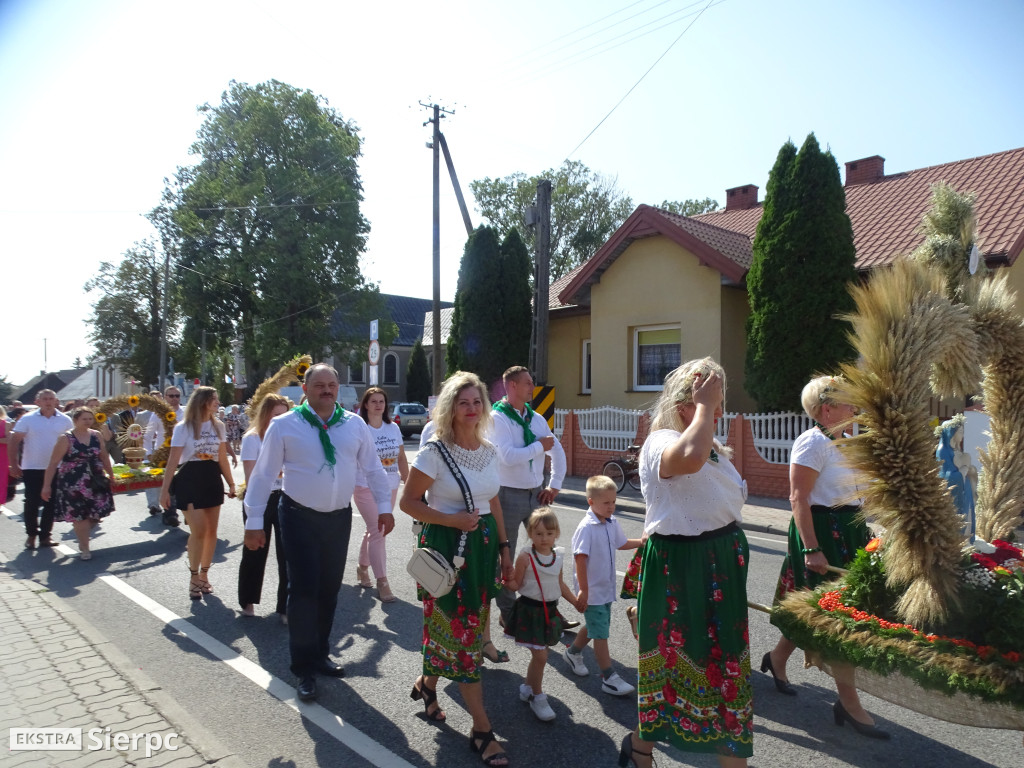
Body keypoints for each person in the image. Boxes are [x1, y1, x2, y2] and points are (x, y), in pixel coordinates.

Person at [620, 358, 753, 768]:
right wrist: (704, 410)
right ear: (686, 404)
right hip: (681, 571)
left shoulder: (711, 446)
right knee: (678, 670)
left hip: (720, 567)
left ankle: (724, 757)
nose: (720, 410)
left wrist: (705, 417)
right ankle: (641, 748)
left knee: (725, 672)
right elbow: (689, 460)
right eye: (714, 402)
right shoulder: (661, 441)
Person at [243, 364, 392, 702]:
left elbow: (372, 468)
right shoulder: (285, 425)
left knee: (328, 591)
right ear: (305, 389)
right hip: (297, 517)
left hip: (338, 518)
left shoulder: (353, 425)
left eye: (332, 385)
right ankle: (303, 668)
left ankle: (321, 653)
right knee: (304, 592)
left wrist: (384, 505)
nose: (327, 390)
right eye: (319, 385)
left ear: (338, 389)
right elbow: (264, 476)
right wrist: (253, 522)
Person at [763, 375, 888, 739]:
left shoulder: (848, 440)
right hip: (822, 531)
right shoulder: (811, 442)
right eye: (849, 401)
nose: (856, 406)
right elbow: (798, 498)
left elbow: (857, 493)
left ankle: (777, 658)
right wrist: (811, 548)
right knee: (839, 616)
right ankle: (849, 704)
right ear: (827, 408)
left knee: (818, 609)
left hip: (849, 530)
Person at [399, 371, 513, 767]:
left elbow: (494, 502)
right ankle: (482, 729)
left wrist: (505, 549)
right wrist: (452, 521)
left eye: (477, 401)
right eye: (463, 402)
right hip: (448, 551)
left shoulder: (487, 450)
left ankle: (426, 685)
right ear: (451, 407)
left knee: (459, 631)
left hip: (480, 552)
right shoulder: (434, 451)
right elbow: (408, 503)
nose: (471, 408)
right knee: (463, 638)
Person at [491, 365, 569, 630]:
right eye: (527, 383)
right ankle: (509, 612)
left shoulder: (535, 419)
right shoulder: (497, 418)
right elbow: (508, 457)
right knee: (507, 556)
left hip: (536, 494)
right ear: (511, 386)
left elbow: (556, 451)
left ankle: (549, 609)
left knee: (545, 551)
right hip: (507, 495)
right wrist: (538, 446)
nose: (532, 387)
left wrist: (555, 484)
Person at [563, 475, 640, 696]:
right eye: (606, 503)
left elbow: (621, 543)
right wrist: (583, 590)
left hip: (605, 589)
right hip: (593, 591)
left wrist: (642, 541)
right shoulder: (586, 527)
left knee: (598, 624)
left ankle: (573, 652)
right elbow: (580, 559)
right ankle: (609, 677)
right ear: (591, 502)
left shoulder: (611, 522)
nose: (611, 507)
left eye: (613, 502)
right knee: (601, 634)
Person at [502, 507, 579, 722]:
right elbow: (516, 583)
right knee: (541, 657)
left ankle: (527, 688)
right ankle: (537, 696)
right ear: (530, 534)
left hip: (549, 612)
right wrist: (507, 581)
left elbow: (560, 583)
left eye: (549, 533)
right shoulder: (526, 556)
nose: (544, 538)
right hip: (529, 611)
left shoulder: (558, 556)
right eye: (538, 533)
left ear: (556, 534)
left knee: (539, 657)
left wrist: (575, 602)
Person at [159, 386, 235, 600]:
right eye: (214, 400)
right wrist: (164, 491)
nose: (218, 403)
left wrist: (230, 483)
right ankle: (193, 576)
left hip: (211, 477)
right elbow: (173, 461)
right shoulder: (183, 427)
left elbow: (221, 458)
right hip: (189, 477)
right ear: (203, 401)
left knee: (212, 532)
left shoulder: (218, 425)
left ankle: (204, 575)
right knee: (199, 531)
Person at [238, 394, 290, 621]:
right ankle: (248, 600)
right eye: (276, 415)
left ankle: (285, 607)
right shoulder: (252, 438)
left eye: (285, 414)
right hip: (260, 499)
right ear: (265, 414)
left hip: (285, 498)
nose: (280, 419)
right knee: (255, 551)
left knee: (287, 554)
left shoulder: (289, 437)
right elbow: (252, 478)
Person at [353, 386, 408, 603]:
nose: (378, 405)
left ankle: (362, 567)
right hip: (364, 486)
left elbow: (401, 457)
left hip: (391, 485)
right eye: (373, 401)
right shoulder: (360, 428)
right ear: (365, 405)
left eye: (381, 401)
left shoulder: (392, 427)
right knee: (379, 530)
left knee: (375, 531)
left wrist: (410, 482)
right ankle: (382, 581)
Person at [40, 407, 115, 559]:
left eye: (90, 419)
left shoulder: (97, 435)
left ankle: (83, 536)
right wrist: (46, 485)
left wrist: (111, 475)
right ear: (75, 420)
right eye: (84, 419)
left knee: (95, 514)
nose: (88, 422)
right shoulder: (66, 438)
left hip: (95, 479)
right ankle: (85, 547)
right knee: (79, 516)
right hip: (73, 482)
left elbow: (104, 456)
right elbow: (53, 463)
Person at [8, 389, 74, 549]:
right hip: (32, 467)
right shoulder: (28, 419)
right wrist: (14, 463)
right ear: (38, 402)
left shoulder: (65, 420)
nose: (48, 401)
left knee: (51, 503)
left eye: (51, 398)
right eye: (44, 399)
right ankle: (31, 535)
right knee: (31, 501)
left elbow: (72, 443)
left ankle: (45, 536)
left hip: (57, 467)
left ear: (56, 401)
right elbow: (14, 441)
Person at [143, 386, 184, 526]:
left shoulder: (186, 413)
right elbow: (147, 436)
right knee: (170, 485)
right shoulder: (157, 414)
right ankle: (170, 513)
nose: (174, 398)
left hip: (184, 455)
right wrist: (149, 454)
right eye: (171, 395)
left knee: (184, 485)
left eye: (177, 395)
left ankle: (185, 511)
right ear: (165, 397)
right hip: (165, 455)